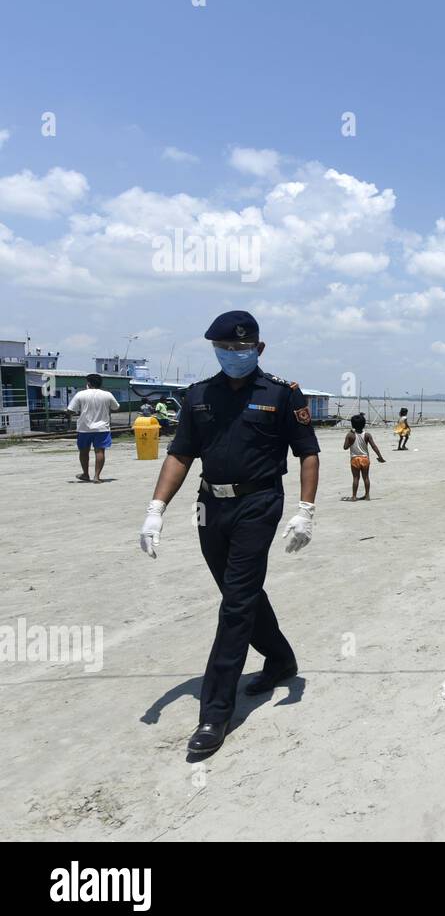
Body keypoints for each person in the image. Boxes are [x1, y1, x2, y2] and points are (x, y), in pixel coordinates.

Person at [137, 311, 321, 755]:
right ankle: (280, 659)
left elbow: (308, 453)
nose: (232, 355)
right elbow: (181, 454)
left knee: (236, 602)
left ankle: (215, 713)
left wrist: (306, 511)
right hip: (209, 506)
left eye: (241, 349)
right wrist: (155, 508)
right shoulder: (199, 396)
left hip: (259, 503)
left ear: (258, 349)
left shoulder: (281, 393)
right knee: (239, 591)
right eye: (224, 348)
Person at [68, 373, 121, 483]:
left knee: (83, 452)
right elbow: (116, 407)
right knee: (100, 451)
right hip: (102, 428)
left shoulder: (80, 394)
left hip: (84, 428)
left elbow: (71, 410)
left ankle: (85, 474)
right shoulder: (107, 394)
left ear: (88, 383)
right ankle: (97, 476)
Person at [344, 413, 385, 500]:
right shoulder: (367, 435)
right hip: (365, 459)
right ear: (364, 424)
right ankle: (367, 495)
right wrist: (380, 457)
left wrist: (349, 438)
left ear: (352, 424)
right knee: (366, 477)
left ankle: (354, 496)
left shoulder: (350, 435)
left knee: (355, 478)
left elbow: (345, 447)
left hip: (355, 459)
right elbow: (374, 446)